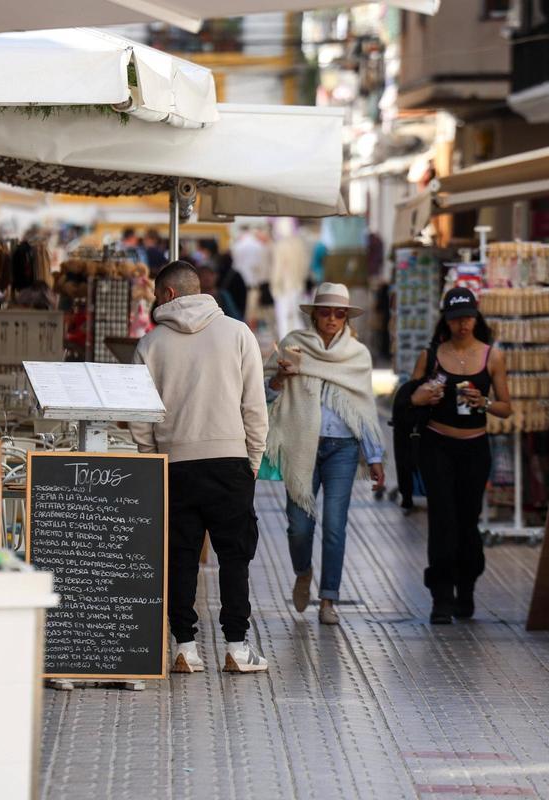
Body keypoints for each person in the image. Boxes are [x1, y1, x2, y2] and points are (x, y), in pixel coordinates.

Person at [132, 261, 270, 674]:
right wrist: (253, 459)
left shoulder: (150, 344)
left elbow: (140, 416)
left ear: (169, 294)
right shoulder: (238, 333)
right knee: (234, 557)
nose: (155, 301)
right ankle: (236, 647)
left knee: (181, 556)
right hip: (230, 461)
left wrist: (152, 459)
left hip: (174, 463)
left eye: (156, 294)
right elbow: (254, 406)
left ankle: (185, 647)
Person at [265, 283, 386, 625]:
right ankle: (303, 572)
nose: (332, 319)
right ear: (314, 314)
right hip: (301, 444)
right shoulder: (293, 345)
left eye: (339, 313)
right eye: (325, 312)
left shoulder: (357, 355)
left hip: (342, 449)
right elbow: (265, 393)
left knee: (335, 525)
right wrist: (280, 379)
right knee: (298, 528)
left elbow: (364, 407)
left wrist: (374, 457)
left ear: (346, 318)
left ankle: (328, 599)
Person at [405, 287, 512, 625]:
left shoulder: (492, 357)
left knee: (468, 520)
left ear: (476, 317)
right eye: (455, 319)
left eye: (467, 318)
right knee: (442, 520)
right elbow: (408, 397)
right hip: (437, 446)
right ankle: (441, 596)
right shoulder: (431, 356)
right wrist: (423, 396)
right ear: (446, 321)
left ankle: (466, 587)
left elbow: (506, 408)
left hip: (475, 448)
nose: (462, 325)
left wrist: (485, 403)